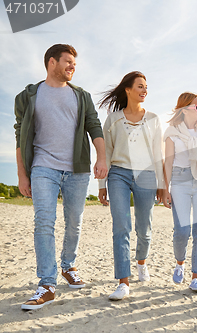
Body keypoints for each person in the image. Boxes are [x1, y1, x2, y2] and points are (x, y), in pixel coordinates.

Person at [14, 44, 107, 310]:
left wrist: (101, 158)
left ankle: (68, 266)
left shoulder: (82, 96)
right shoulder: (27, 96)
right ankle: (46, 283)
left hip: (76, 169)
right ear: (51, 62)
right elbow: (20, 135)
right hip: (42, 166)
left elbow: (94, 125)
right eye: (67, 62)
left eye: (74, 63)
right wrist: (22, 174)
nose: (72, 67)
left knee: (74, 222)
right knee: (44, 221)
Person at [97, 71, 165, 300]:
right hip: (118, 174)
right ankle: (123, 282)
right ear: (128, 89)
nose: (144, 90)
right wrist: (101, 184)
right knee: (121, 227)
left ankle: (141, 262)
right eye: (140, 86)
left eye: (146, 87)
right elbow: (105, 153)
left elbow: (158, 155)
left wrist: (162, 184)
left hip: (146, 175)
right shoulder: (113, 119)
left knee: (144, 229)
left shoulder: (154, 119)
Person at [163, 92, 197, 293]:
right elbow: (168, 162)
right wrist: (165, 188)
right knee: (182, 231)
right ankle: (180, 263)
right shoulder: (172, 131)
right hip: (180, 181)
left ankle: (196, 277)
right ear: (184, 109)